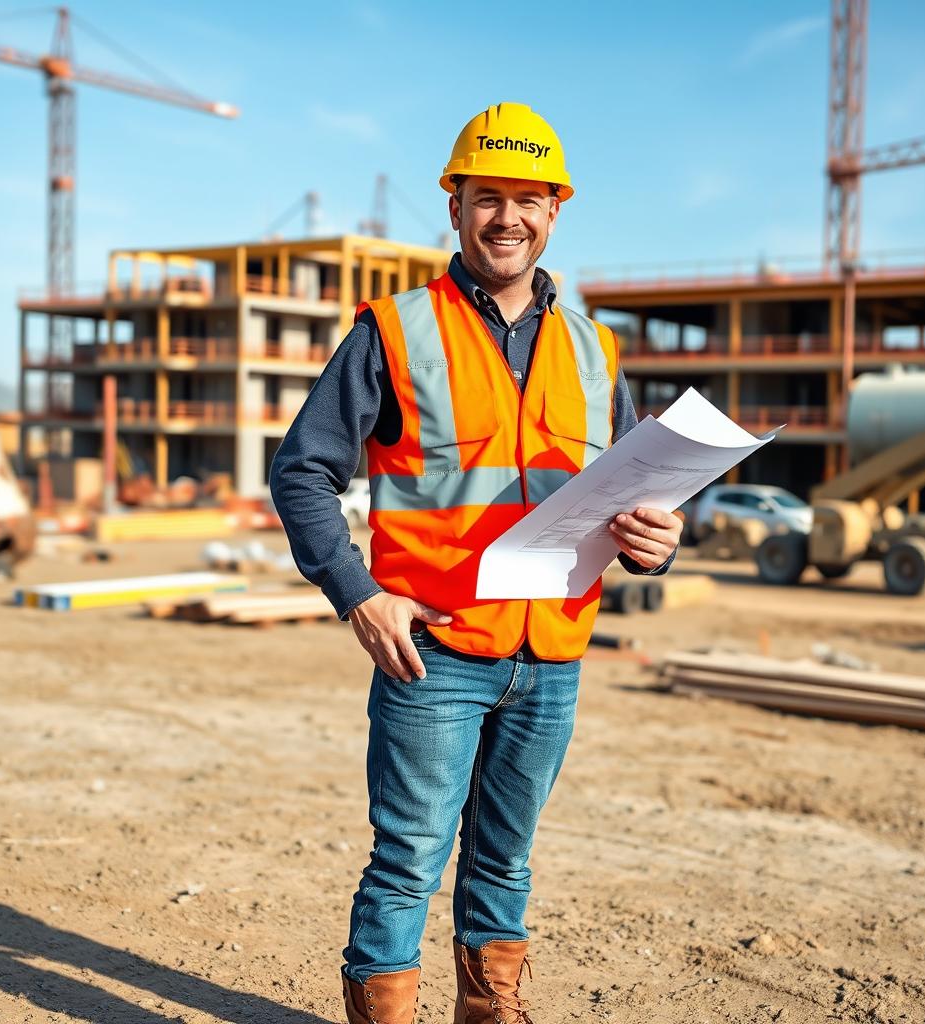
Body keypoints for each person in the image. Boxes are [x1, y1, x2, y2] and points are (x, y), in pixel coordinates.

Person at [270, 102, 683, 1024]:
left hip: (553, 658)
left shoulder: (592, 345)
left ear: (556, 210)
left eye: (527, 200)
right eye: (486, 197)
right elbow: (302, 471)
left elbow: (624, 493)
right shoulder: (395, 330)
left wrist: (655, 542)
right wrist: (357, 594)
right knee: (409, 856)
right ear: (454, 206)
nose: (508, 219)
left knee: (506, 858)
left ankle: (491, 1012)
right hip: (435, 654)